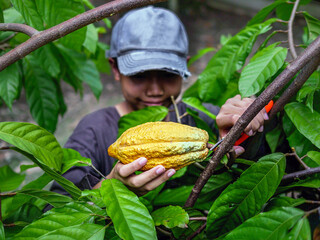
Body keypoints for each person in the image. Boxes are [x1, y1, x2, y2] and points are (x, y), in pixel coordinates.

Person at [50, 6, 268, 197]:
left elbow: (254, 174)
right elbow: (56, 210)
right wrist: (110, 186)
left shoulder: (203, 118)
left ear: (186, 67)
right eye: (139, 75)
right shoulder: (94, 130)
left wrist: (243, 131)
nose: (155, 90)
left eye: (167, 74)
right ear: (115, 68)